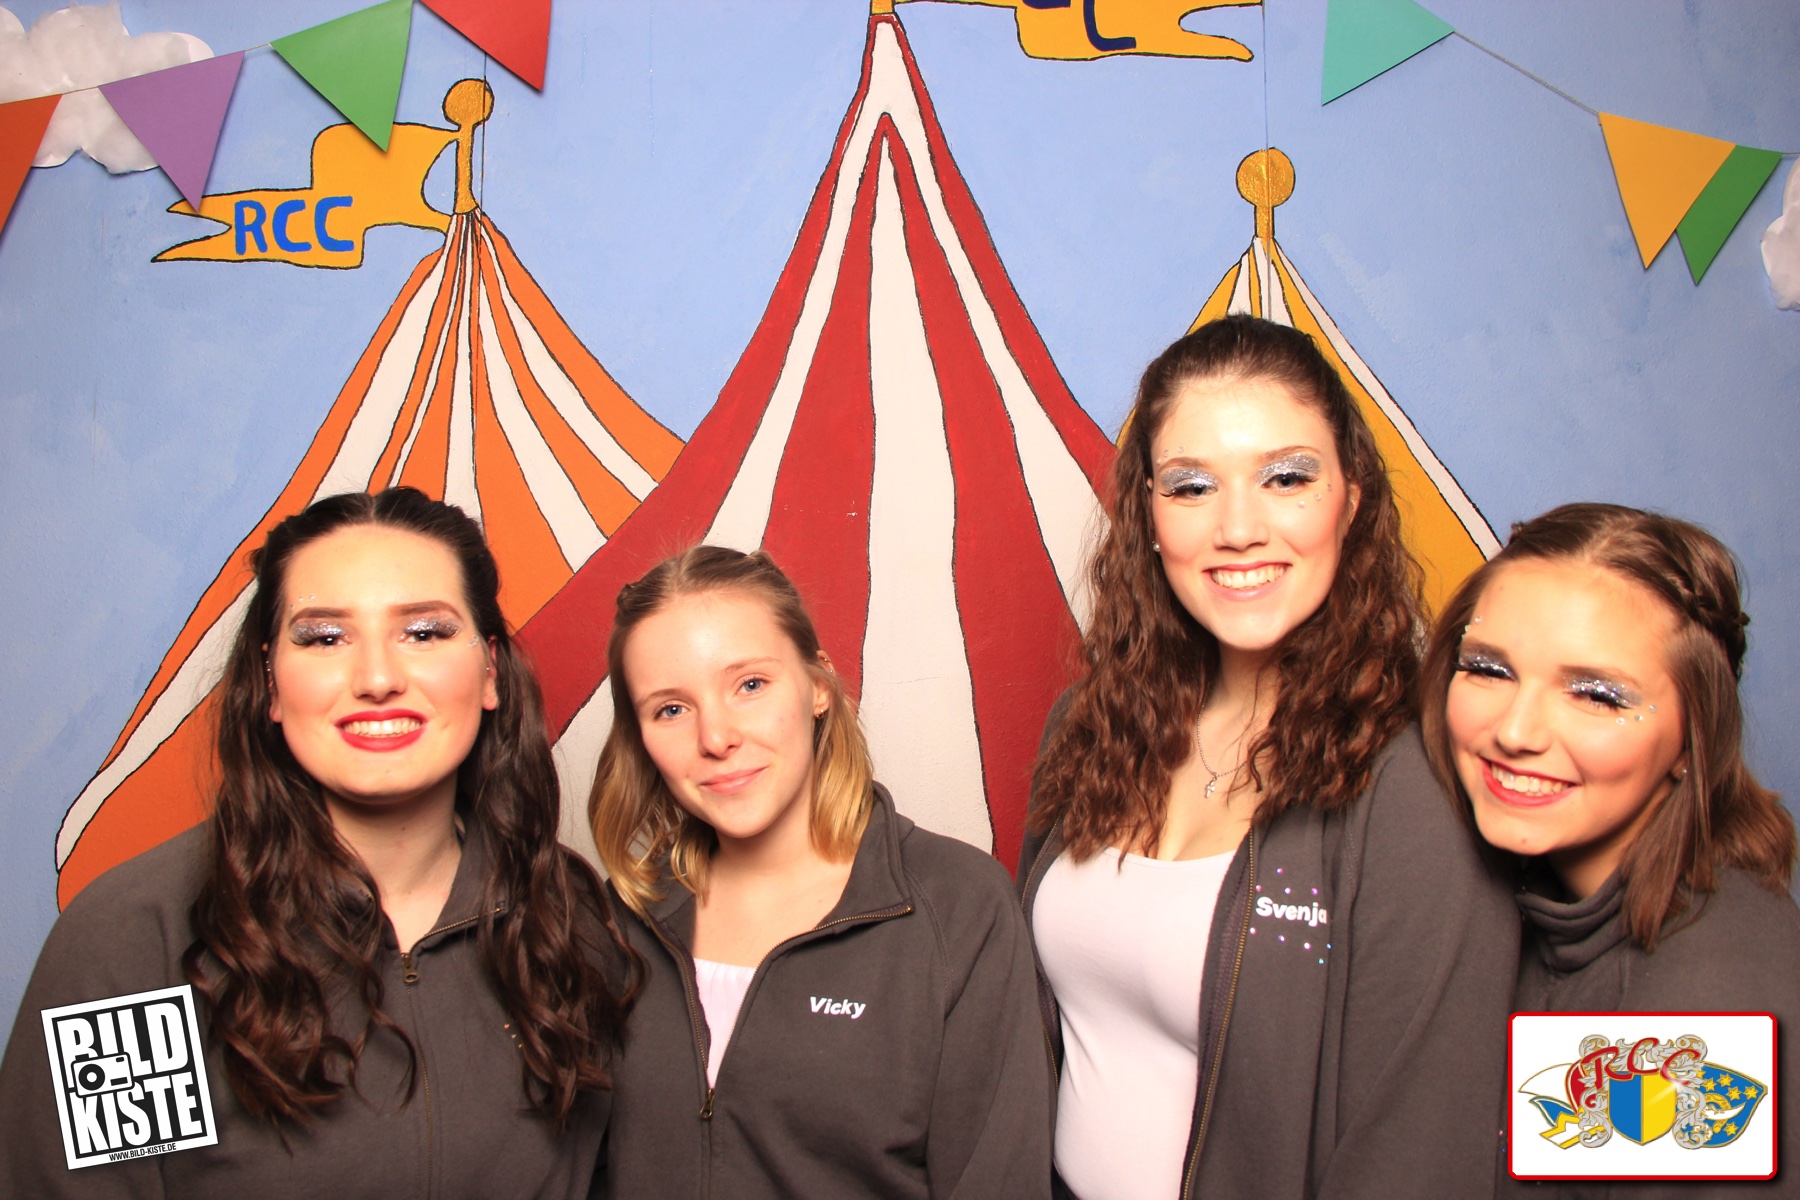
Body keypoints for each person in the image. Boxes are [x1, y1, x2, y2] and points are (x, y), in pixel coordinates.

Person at [0, 487, 638, 1199]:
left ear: (489, 671)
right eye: (326, 638)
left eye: (424, 632)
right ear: (270, 682)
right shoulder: (137, 940)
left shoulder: (570, 917)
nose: (377, 679)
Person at [1024, 314, 1517, 1199]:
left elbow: (1419, 1147)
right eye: (1192, 486)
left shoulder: (1414, 783)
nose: (1238, 528)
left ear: (1351, 498)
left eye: (1286, 477)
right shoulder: (1090, 726)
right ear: (1148, 516)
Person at [589, 545, 1051, 1200]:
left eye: (750, 685)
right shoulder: (616, 921)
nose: (716, 738)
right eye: (671, 709)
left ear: (819, 687)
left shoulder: (958, 909)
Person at [1419, 502, 1800, 1197]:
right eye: (1489, 669)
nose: (1516, 732)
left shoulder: (1705, 1008)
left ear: (1693, 737)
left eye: (1596, 695)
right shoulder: (1523, 907)